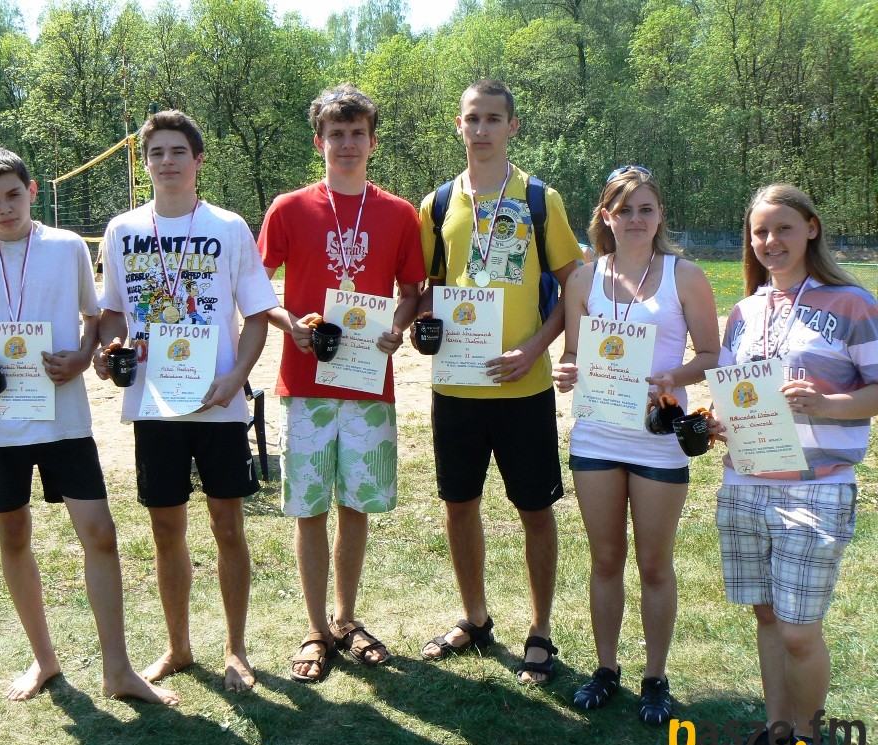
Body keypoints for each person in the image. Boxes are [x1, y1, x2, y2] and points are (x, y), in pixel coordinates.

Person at [0, 147, 178, 706]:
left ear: (32, 191)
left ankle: (118, 670)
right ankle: (44, 659)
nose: (5, 208)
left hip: (64, 419)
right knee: (13, 537)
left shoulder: (67, 248)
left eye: (14, 194)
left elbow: (94, 318)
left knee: (100, 534)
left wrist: (83, 357)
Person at [96, 110, 278, 693]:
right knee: (165, 529)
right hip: (155, 406)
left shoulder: (228, 226)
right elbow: (113, 313)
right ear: (145, 163)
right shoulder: (122, 230)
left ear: (198, 161)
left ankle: (236, 650)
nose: (167, 161)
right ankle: (178, 647)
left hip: (218, 402)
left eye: (178, 151)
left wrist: (237, 378)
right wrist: (109, 350)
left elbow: (257, 314)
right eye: (157, 153)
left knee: (228, 525)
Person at [415, 78, 582, 683]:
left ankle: (540, 632)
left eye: (493, 118)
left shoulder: (540, 199)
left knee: (535, 509)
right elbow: (427, 288)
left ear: (512, 126)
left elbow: (574, 284)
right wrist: (423, 324)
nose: (481, 128)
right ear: (458, 125)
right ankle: (475, 618)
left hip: (523, 387)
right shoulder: (437, 204)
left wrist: (537, 348)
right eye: (472, 118)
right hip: (456, 388)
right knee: (459, 506)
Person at [258, 85, 424, 682]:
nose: (347, 144)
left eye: (357, 134)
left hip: (367, 384)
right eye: (337, 134)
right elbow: (255, 286)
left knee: (356, 504)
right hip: (304, 382)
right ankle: (314, 628)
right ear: (319, 141)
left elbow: (412, 291)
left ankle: (346, 619)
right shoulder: (288, 208)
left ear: (372, 142)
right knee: (309, 508)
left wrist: (398, 328)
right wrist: (289, 326)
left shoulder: (399, 213)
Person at [709, 185, 878, 745]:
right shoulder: (744, 311)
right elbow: (734, 392)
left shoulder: (852, 304)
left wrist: (827, 405)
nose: (770, 241)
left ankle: (806, 740)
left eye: (783, 228)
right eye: (760, 232)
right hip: (745, 482)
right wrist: (718, 422)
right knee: (767, 617)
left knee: (800, 630)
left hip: (816, 487)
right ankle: (777, 733)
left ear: (811, 228)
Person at [551, 166, 719, 722]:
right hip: (597, 435)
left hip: (658, 438)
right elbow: (573, 353)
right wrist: (566, 371)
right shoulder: (583, 279)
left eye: (646, 209)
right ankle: (605, 670)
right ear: (606, 217)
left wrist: (673, 376)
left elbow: (711, 355)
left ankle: (655, 678)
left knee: (654, 564)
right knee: (605, 559)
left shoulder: (684, 276)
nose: (636, 219)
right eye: (624, 210)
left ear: (660, 215)